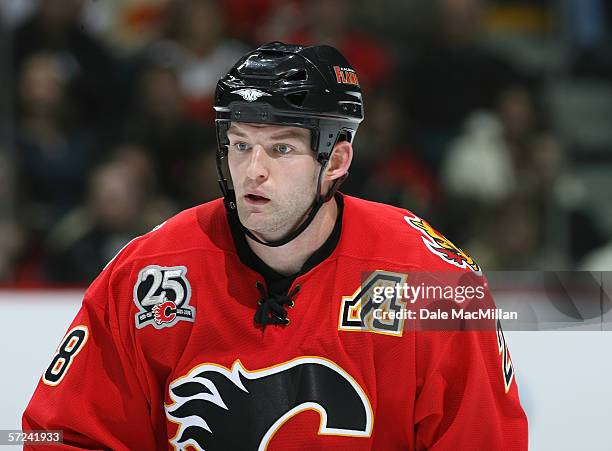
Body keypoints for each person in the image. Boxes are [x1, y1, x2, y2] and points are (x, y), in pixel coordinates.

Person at [23, 42, 528, 450]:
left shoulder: (432, 284)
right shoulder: (149, 273)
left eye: (282, 148)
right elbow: (64, 437)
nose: (253, 170)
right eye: (241, 144)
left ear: (336, 161)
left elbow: (484, 439)